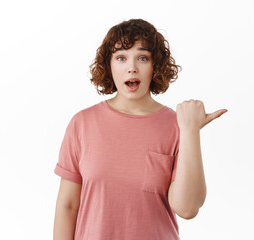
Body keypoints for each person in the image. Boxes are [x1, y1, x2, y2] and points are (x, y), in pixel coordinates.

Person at [53, 18, 227, 240]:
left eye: (143, 58)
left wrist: (191, 131)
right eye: (121, 58)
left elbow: (187, 208)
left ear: (155, 66)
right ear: (109, 65)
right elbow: (67, 206)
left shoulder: (176, 126)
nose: (132, 68)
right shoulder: (82, 124)